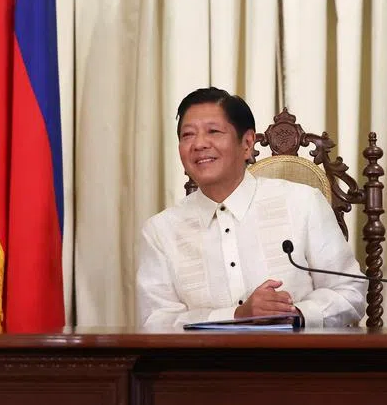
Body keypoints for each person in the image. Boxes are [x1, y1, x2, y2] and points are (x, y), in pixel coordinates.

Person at [136, 87, 366, 329]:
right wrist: (236, 315)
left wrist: (296, 314)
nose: (199, 144)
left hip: (297, 361)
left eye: (213, 131)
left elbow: (349, 292)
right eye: (188, 135)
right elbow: (156, 320)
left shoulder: (303, 203)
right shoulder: (161, 231)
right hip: (202, 365)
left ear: (247, 144)